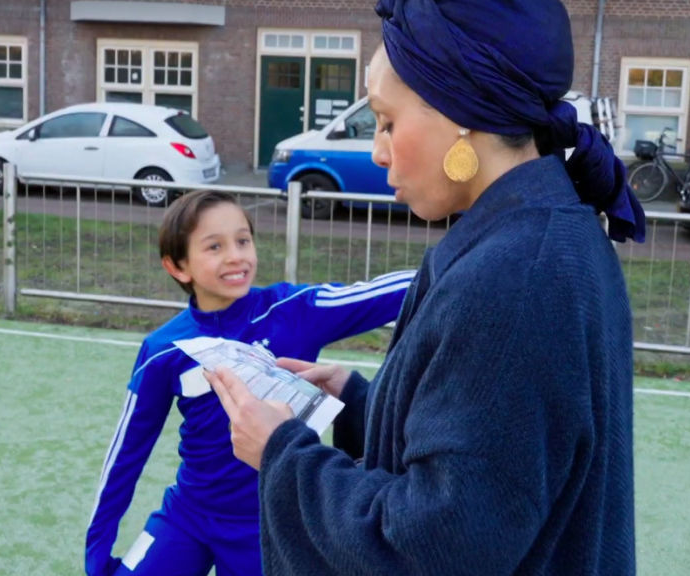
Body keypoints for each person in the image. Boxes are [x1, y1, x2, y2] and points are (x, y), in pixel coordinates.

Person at [203, 1, 647, 575]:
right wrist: (360, 404)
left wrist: (281, 452)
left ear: (461, 114)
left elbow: (437, 544)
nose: (377, 149)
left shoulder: (514, 278)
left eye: (387, 122)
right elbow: (507, 457)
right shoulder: (540, 233)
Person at [84, 190, 415, 576]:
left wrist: (463, 264)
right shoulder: (163, 350)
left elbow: (384, 292)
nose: (236, 255)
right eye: (214, 246)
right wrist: (97, 555)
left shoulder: (293, 311)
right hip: (188, 514)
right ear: (178, 267)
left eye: (243, 240)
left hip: (269, 523)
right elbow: (126, 453)